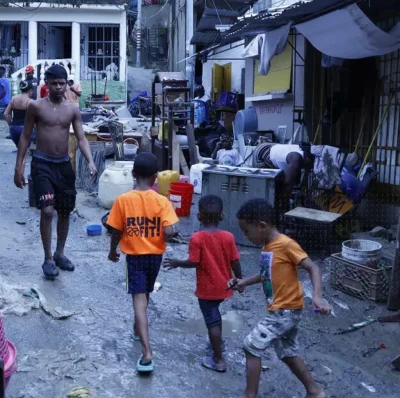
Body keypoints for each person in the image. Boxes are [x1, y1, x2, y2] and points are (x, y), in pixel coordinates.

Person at [217, 198, 330, 398]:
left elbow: (313, 268)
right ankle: (315, 394)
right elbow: (266, 274)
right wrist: (243, 282)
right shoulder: (268, 247)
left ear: (261, 226)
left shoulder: (285, 244)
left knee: (251, 345)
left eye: (246, 230)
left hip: (284, 311)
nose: (245, 236)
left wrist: (317, 297)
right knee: (287, 353)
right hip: (284, 310)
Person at [13, 64, 98, 279]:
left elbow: (81, 138)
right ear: (46, 84)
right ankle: (48, 258)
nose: (58, 87)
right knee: (47, 211)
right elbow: (25, 136)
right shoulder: (36, 106)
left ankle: (60, 253)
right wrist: (19, 166)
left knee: (65, 211)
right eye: (54, 83)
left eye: (62, 83)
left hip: (64, 165)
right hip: (42, 163)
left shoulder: (72, 109)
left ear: (67, 84)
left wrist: (90, 161)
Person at [107, 152, 179, 373]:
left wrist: (112, 250)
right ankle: (137, 330)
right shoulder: (162, 201)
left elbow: (115, 230)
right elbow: (169, 231)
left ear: (133, 174)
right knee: (145, 293)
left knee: (138, 300)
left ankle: (147, 352)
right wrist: (167, 232)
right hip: (155, 257)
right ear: (155, 177)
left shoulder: (123, 200)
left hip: (135, 257)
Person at [163, 195, 242, 372]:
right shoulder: (228, 237)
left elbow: (194, 262)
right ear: (222, 216)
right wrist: (240, 280)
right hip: (225, 286)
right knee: (215, 316)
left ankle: (218, 360)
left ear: (198, 216)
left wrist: (177, 262)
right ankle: (218, 344)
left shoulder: (197, 238)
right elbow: (235, 261)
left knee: (212, 321)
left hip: (207, 289)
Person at [5, 80, 34, 146]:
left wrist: (11, 125)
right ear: (30, 91)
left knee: (19, 148)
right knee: (26, 148)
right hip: (25, 129)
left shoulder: (14, 99)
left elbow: (5, 114)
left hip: (13, 129)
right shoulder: (30, 102)